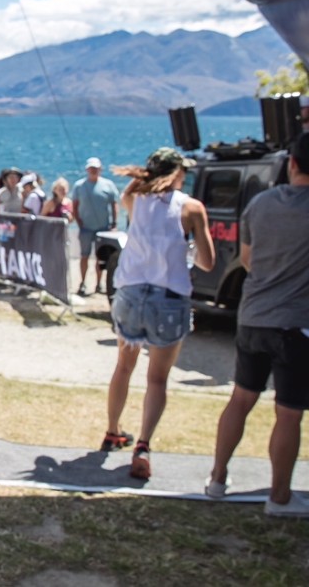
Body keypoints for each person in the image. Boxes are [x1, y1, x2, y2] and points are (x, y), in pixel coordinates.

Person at [206, 132, 309, 516]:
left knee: (241, 399)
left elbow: (247, 259)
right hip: (297, 324)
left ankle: (217, 479)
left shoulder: (260, 204)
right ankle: (279, 497)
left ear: (292, 163)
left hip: (252, 317)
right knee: (289, 412)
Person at [103, 148, 215, 480]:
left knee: (123, 367)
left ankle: (112, 430)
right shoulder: (192, 207)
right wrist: (187, 248)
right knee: (157, 378)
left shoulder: (133, 198)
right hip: (168, 297)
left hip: (130, 293)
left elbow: (135, 195)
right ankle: (143, 445)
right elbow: (208, 262)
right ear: (177, 174)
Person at [72, 157, 120, 297]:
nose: (93, 171)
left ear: (100, 170)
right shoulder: (79, 186)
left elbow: (114, 204)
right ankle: (82, 283)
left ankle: (99, 284)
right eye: (91, 168)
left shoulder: (108, 185)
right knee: (84, 256)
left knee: (100, 258)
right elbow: (75, 205)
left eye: (96, 168)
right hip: (86, 228)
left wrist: (114, 223)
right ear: (87, 170)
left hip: (103, 228)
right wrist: (79, 222)